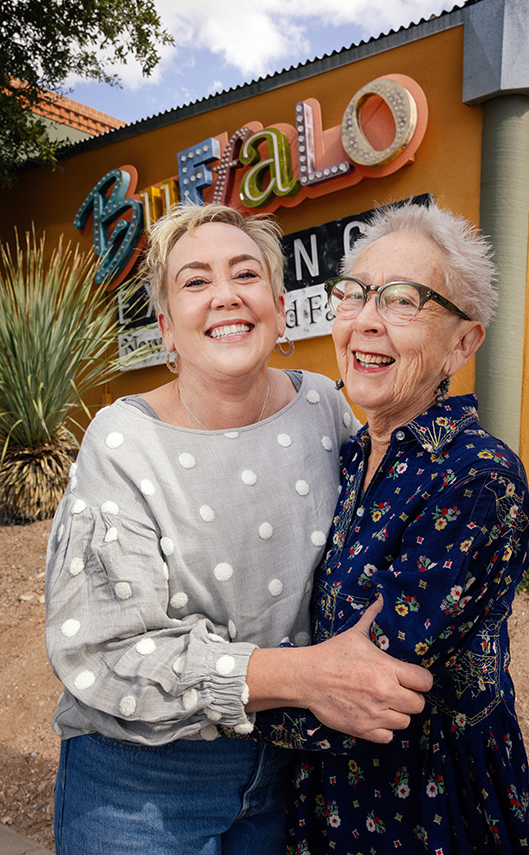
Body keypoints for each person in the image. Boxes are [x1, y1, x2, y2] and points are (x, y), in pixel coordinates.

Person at [45, 202, 431, 855]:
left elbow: (372, 550)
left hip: (290, 766)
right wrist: (306, 677)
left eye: (245, 274)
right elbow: (102, 648)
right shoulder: (124, 441)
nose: (225, 295)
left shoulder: (324, 408)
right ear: (167, 329)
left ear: (279, 309)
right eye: (195, 281)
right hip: (140, 780)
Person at [254, 199, 529, 853]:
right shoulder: (350, 451)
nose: (367, 322)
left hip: (424, 805)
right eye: (354, 296)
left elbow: (374, 680)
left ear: (462, 343)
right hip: (323, 796)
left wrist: (206, 691)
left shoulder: (475, 477)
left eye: (404, 301)